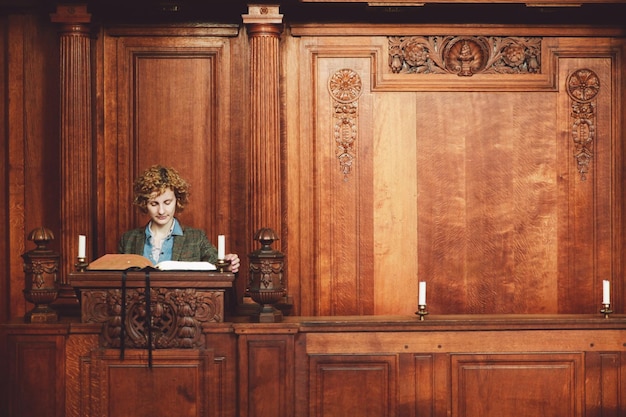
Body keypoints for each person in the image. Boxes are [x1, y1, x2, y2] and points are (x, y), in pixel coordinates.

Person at [118, 164, 240, 272]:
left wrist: (228, 265)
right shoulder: (128, 239)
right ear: (144, 203)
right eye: (154, 204)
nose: (161, 211)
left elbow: (217, 264)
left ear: (177, 200)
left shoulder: (197, 238)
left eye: (167, 202)